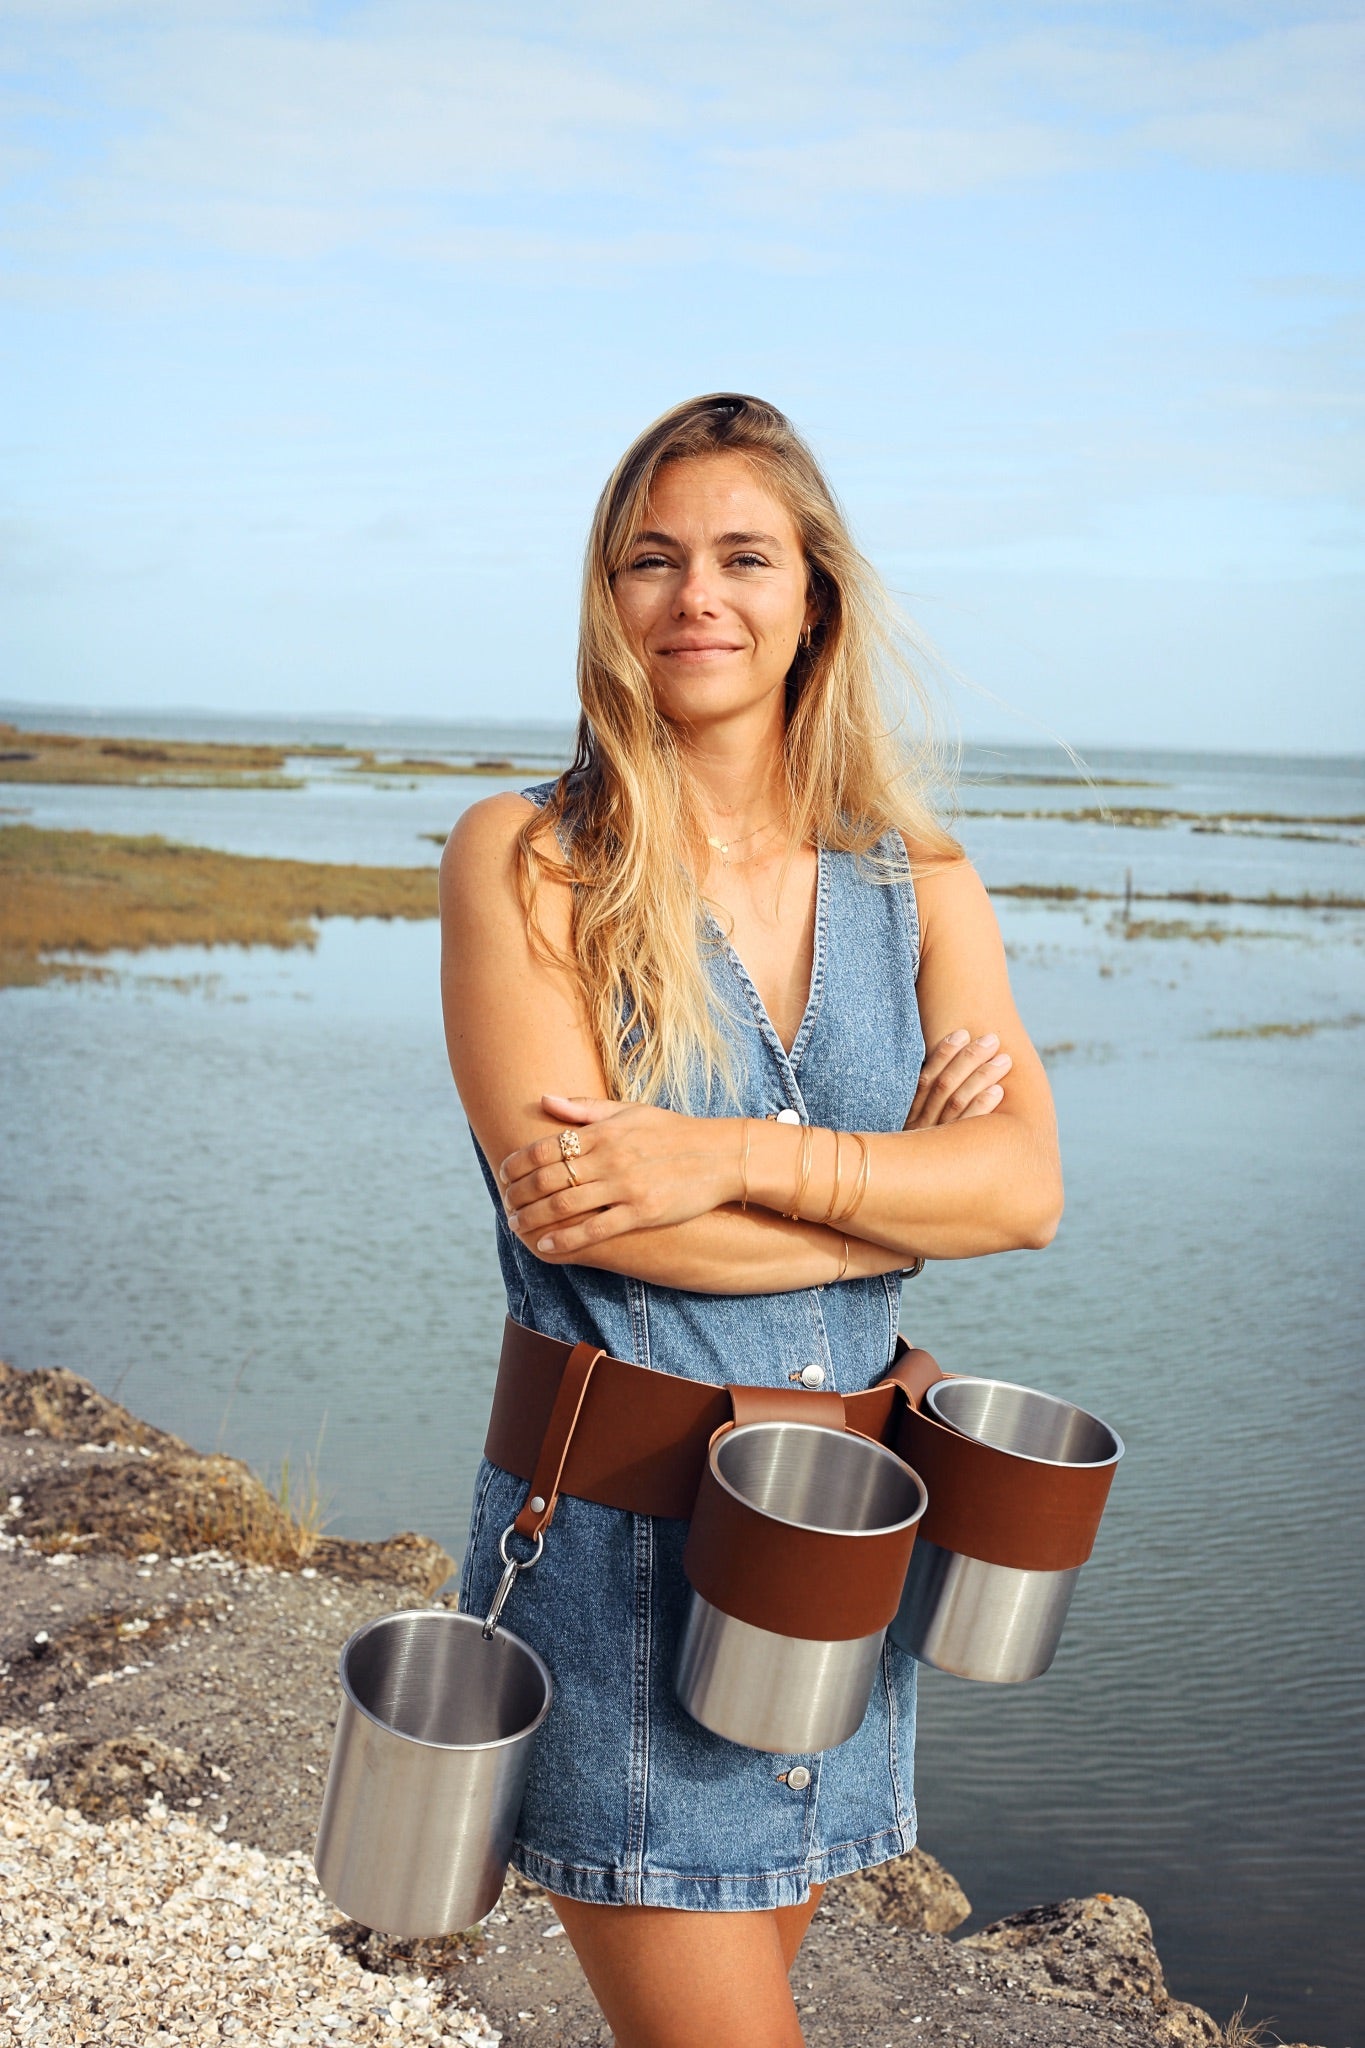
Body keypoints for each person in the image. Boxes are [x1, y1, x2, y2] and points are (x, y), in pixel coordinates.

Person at [439, 392, 1062, 2048]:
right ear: (605, 595)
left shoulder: (916, 876)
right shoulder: (529, 861)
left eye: (738, 557)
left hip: (835, 1553)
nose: (692, 597)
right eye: (649, 559)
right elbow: (594, 1222)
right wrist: (893, 1208)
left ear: (813, 597)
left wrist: (720, 1156)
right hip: (608, 1549)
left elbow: (1026, 1188)